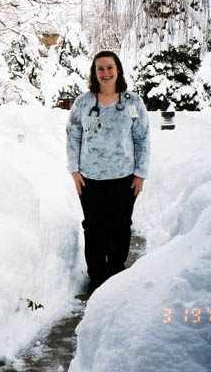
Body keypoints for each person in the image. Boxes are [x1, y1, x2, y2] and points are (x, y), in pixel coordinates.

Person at [66, 50, 150, 296]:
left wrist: (140, 174)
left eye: (110, 67)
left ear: (118, 70)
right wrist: (74, 171)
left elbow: (142, 138)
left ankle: (115, 277)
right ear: (94, 73)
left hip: (124, 178)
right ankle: (96, 277)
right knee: (94, 229)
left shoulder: (132, 102)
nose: (105, 73)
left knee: (120, 227)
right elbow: (73, 135)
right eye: (100, 68)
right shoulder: (83, 102)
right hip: (90, 179)